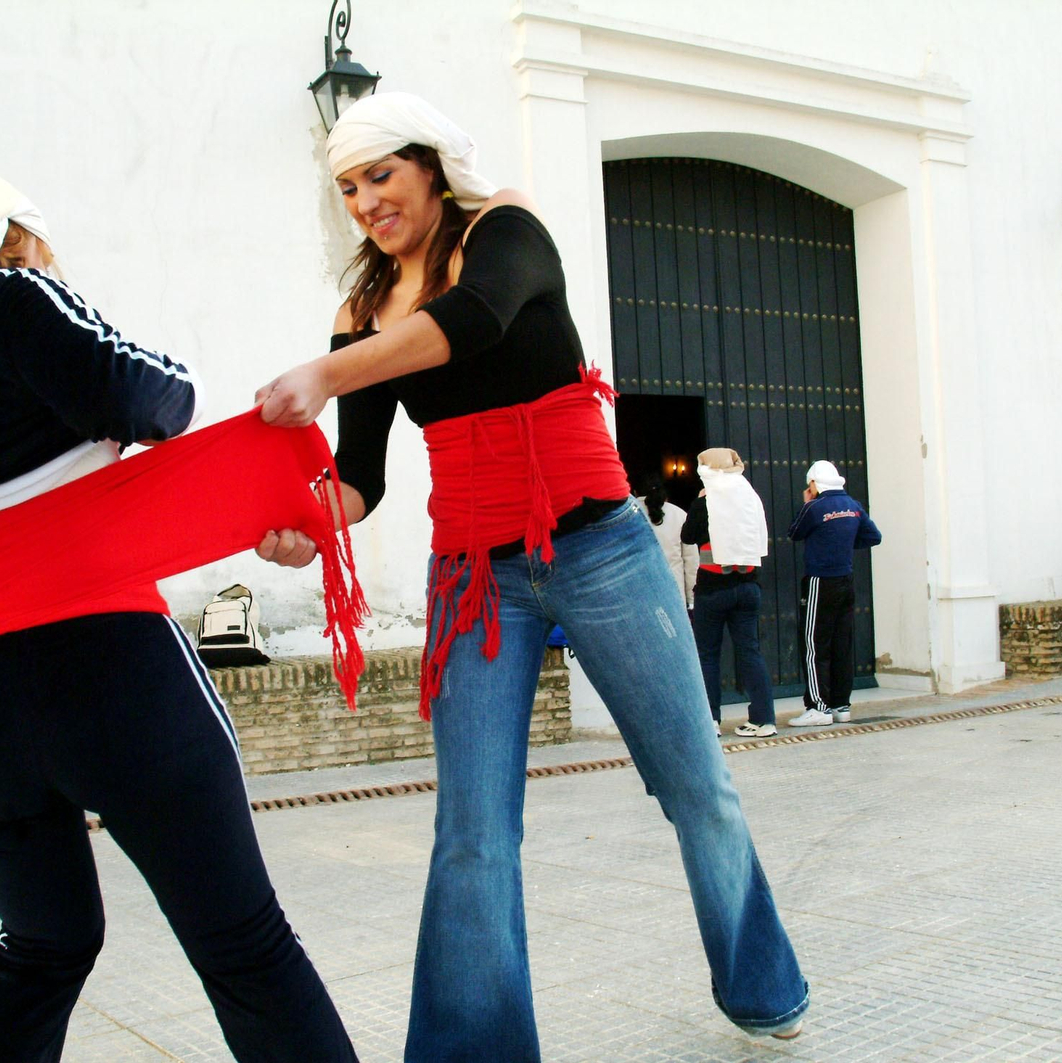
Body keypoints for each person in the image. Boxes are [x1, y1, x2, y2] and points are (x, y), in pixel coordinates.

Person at [254, 92, 808, 1057]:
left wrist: (328, 371)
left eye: (380, 175)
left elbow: (475, 322)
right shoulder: (359, 313)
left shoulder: (505, 228)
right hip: (473, 575)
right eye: (347, 187)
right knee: (472, 830)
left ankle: (763, 986)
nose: (365, 202)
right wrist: (303, 526)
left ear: (429, 165)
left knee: (698, 786)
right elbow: (362, 481)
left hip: (602, 548)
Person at [0, 155, 358, 1062]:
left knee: (42, 946)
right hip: (106, 670)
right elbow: (156, 396)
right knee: (244, 948)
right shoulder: (8, 296)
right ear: (7, 238)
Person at [681, 449, 776, 738]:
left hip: (713, 589)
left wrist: (699, 504)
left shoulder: (706, 501)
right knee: (750, 652)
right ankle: (764, 720)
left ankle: (710, 720)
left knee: (708, 655)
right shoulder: (750, 497)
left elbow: (687, 536)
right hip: (748, 587)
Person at [786, 461, 881, 727]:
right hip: (845, 579)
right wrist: (845, 544)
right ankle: (841, 705)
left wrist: (806, 503)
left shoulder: (815, 507)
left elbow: (794, 532)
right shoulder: (853, 505)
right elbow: (873, 537)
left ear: (814, 483)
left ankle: (818, 706)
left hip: (820, 580)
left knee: (815, 645)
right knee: (841, 643)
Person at [636, 472, 699, 613]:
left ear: (635, 491)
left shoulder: (627, 517)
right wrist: (691, 599)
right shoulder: (680, 515)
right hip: (673, 592)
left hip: (637, 593)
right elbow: (691, 563)